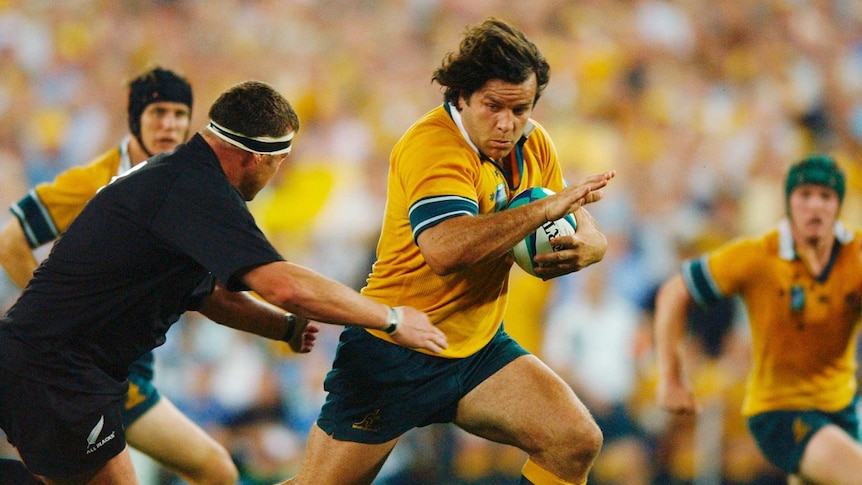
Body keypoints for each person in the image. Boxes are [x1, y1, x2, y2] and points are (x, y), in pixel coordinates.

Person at [0, 79, 448, 485]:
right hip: (60, 376)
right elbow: (284, 286)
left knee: (215, 470)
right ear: (255, 157)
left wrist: (284, 329)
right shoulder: (199, 192)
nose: (278, 172)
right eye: (279, 160)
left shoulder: (177, 177)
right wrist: (389, 318)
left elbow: (211, 296)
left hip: (50, 367)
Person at [282, 18, 615, 485]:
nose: (507, 122)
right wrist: (541, 213)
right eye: (492, 106)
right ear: (461, 96)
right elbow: (445, 248)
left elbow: (573, 214)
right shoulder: (432, 145)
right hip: (394, 350)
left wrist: (592, 246)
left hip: (476, 349)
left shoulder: (534, 142)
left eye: (520, 108)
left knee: (575, 440)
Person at [0, 66, 244, 485]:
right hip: (75, 375)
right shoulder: (97, 180)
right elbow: (10, 243)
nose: (169, 124)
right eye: (157, 112)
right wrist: (61, 314)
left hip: (125, 374)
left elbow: (207, 291)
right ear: (135, 118)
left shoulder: (187, 186)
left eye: (179, 113)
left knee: (216, 469)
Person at [654, 154, 862, 485]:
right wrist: (671, 376)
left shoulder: (854, 258)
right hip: (783, 411)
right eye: (805, 195)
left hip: (842, 409)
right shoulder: (758, 257)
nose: (815, 206)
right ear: (789, 203)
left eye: (825, 196)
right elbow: (674, 292)